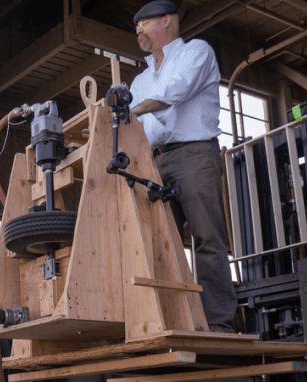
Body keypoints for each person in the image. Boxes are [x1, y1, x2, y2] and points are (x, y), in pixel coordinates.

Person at [129, 0, 237, 333]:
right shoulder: (139, 80)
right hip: (154, 161)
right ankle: (169, 322)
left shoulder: (196, 52)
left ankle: (219, 323)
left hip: (194, 154)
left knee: (206, 238)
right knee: (160, 243)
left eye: (144, 24)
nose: (138, 32)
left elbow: (175, 92)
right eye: (136, 28)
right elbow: (136, 130)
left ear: (166, 21)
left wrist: (127, 112)